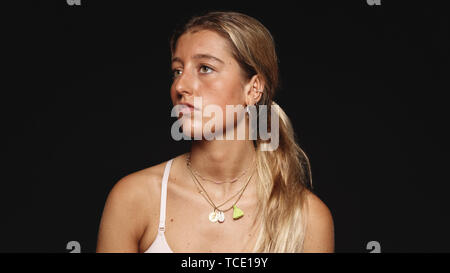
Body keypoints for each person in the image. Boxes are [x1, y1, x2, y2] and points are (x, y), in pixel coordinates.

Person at [96, 11, 334, 253]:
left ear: (253, 89)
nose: (180, 86)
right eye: (177, 70)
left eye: (205, 68)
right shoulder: (134, 198)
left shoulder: (308, 218)